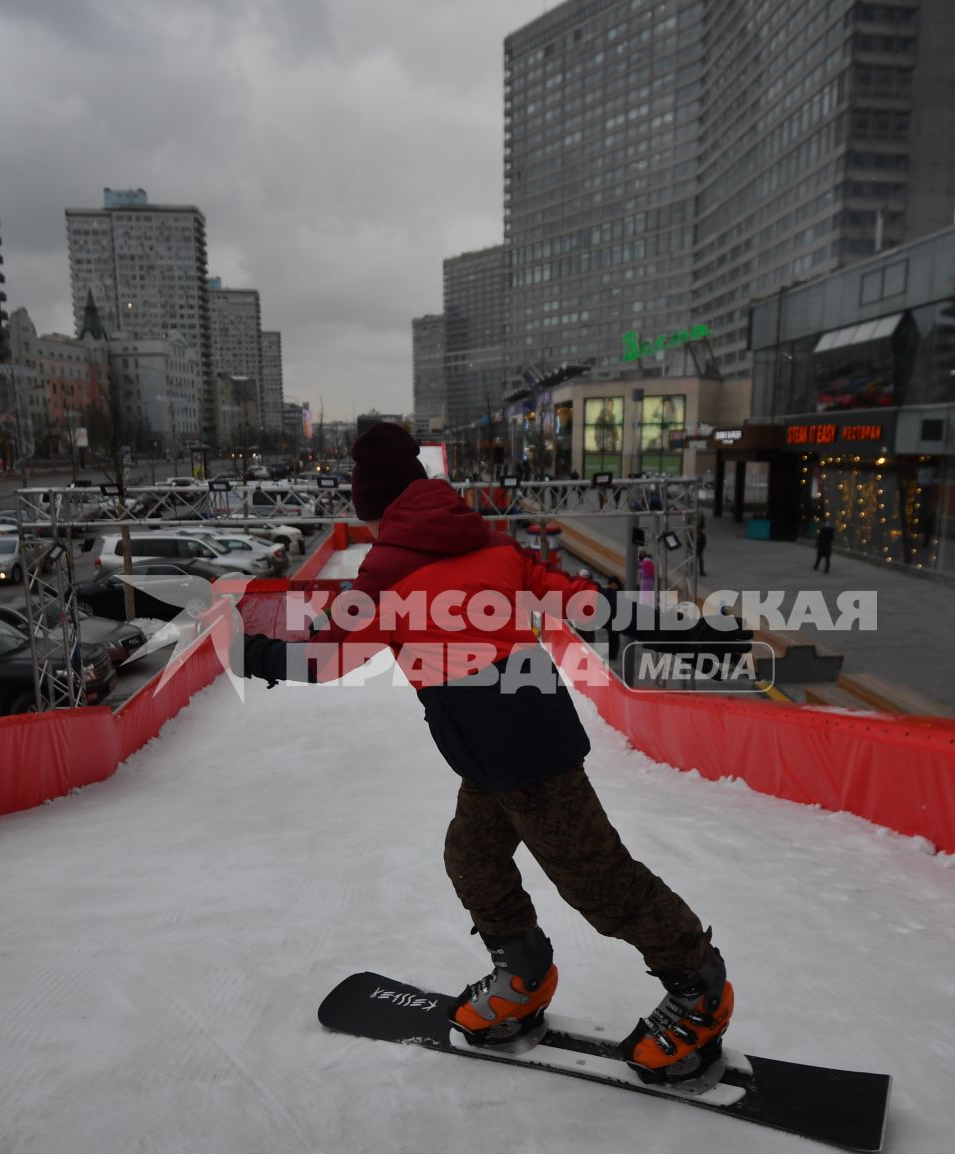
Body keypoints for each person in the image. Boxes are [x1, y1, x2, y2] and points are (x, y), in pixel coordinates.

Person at [234, 423, 733, 1082]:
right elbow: (584, 602)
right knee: (470, 856)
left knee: (599, 882)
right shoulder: (494, 550)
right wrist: (679, 626)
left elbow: (322, 658)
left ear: (376, 508)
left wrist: (251, 652)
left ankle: (700, 992)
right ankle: (523, 973)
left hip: (527, 763)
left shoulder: (384, 576)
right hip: (497, 759)